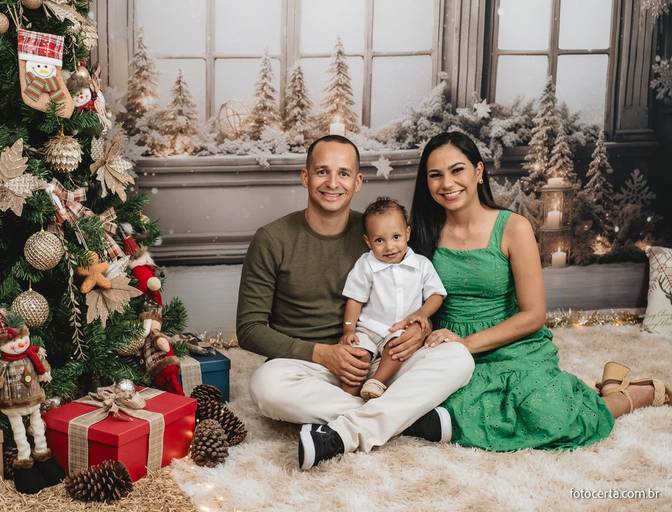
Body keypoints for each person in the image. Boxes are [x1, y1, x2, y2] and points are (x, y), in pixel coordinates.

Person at [409, 131, 671, 451]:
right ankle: (605, 383)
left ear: (478, 172)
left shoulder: (512, 227)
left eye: (457, 170)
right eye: (435, 175)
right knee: (445, 415)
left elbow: (533, 315)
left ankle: (629, 395)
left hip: (508, 342)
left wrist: (466, 344)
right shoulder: (422, 231)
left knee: (548, 418)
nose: (447, 183)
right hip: (448, 348)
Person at [237, 134, 475, 470]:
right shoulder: (273, 238)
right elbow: (249, 329)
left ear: (358, 181)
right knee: (266, 387)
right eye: (322, 172)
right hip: (312, 367)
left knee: (458, 358)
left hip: (381, 358)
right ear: (305, 177)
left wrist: (421, 329)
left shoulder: (380, 231)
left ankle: (345, 431)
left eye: (344, 173)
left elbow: (415, 291)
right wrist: (324, 354)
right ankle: (411, 419)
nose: (333, 183)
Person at [338, 197, 447, 400]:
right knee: (357, 356)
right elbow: (354, 299)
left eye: (396, 237)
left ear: (407, 233)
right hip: (368, 329)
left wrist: (422, 314)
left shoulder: (421, 265)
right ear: (368, 241)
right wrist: (348, 329)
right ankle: (344, 397)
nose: (389, 247)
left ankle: (377, 382)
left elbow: (436, 294)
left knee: (397, 350)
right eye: (379, 240)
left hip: (399, 330)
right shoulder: (366, 264)